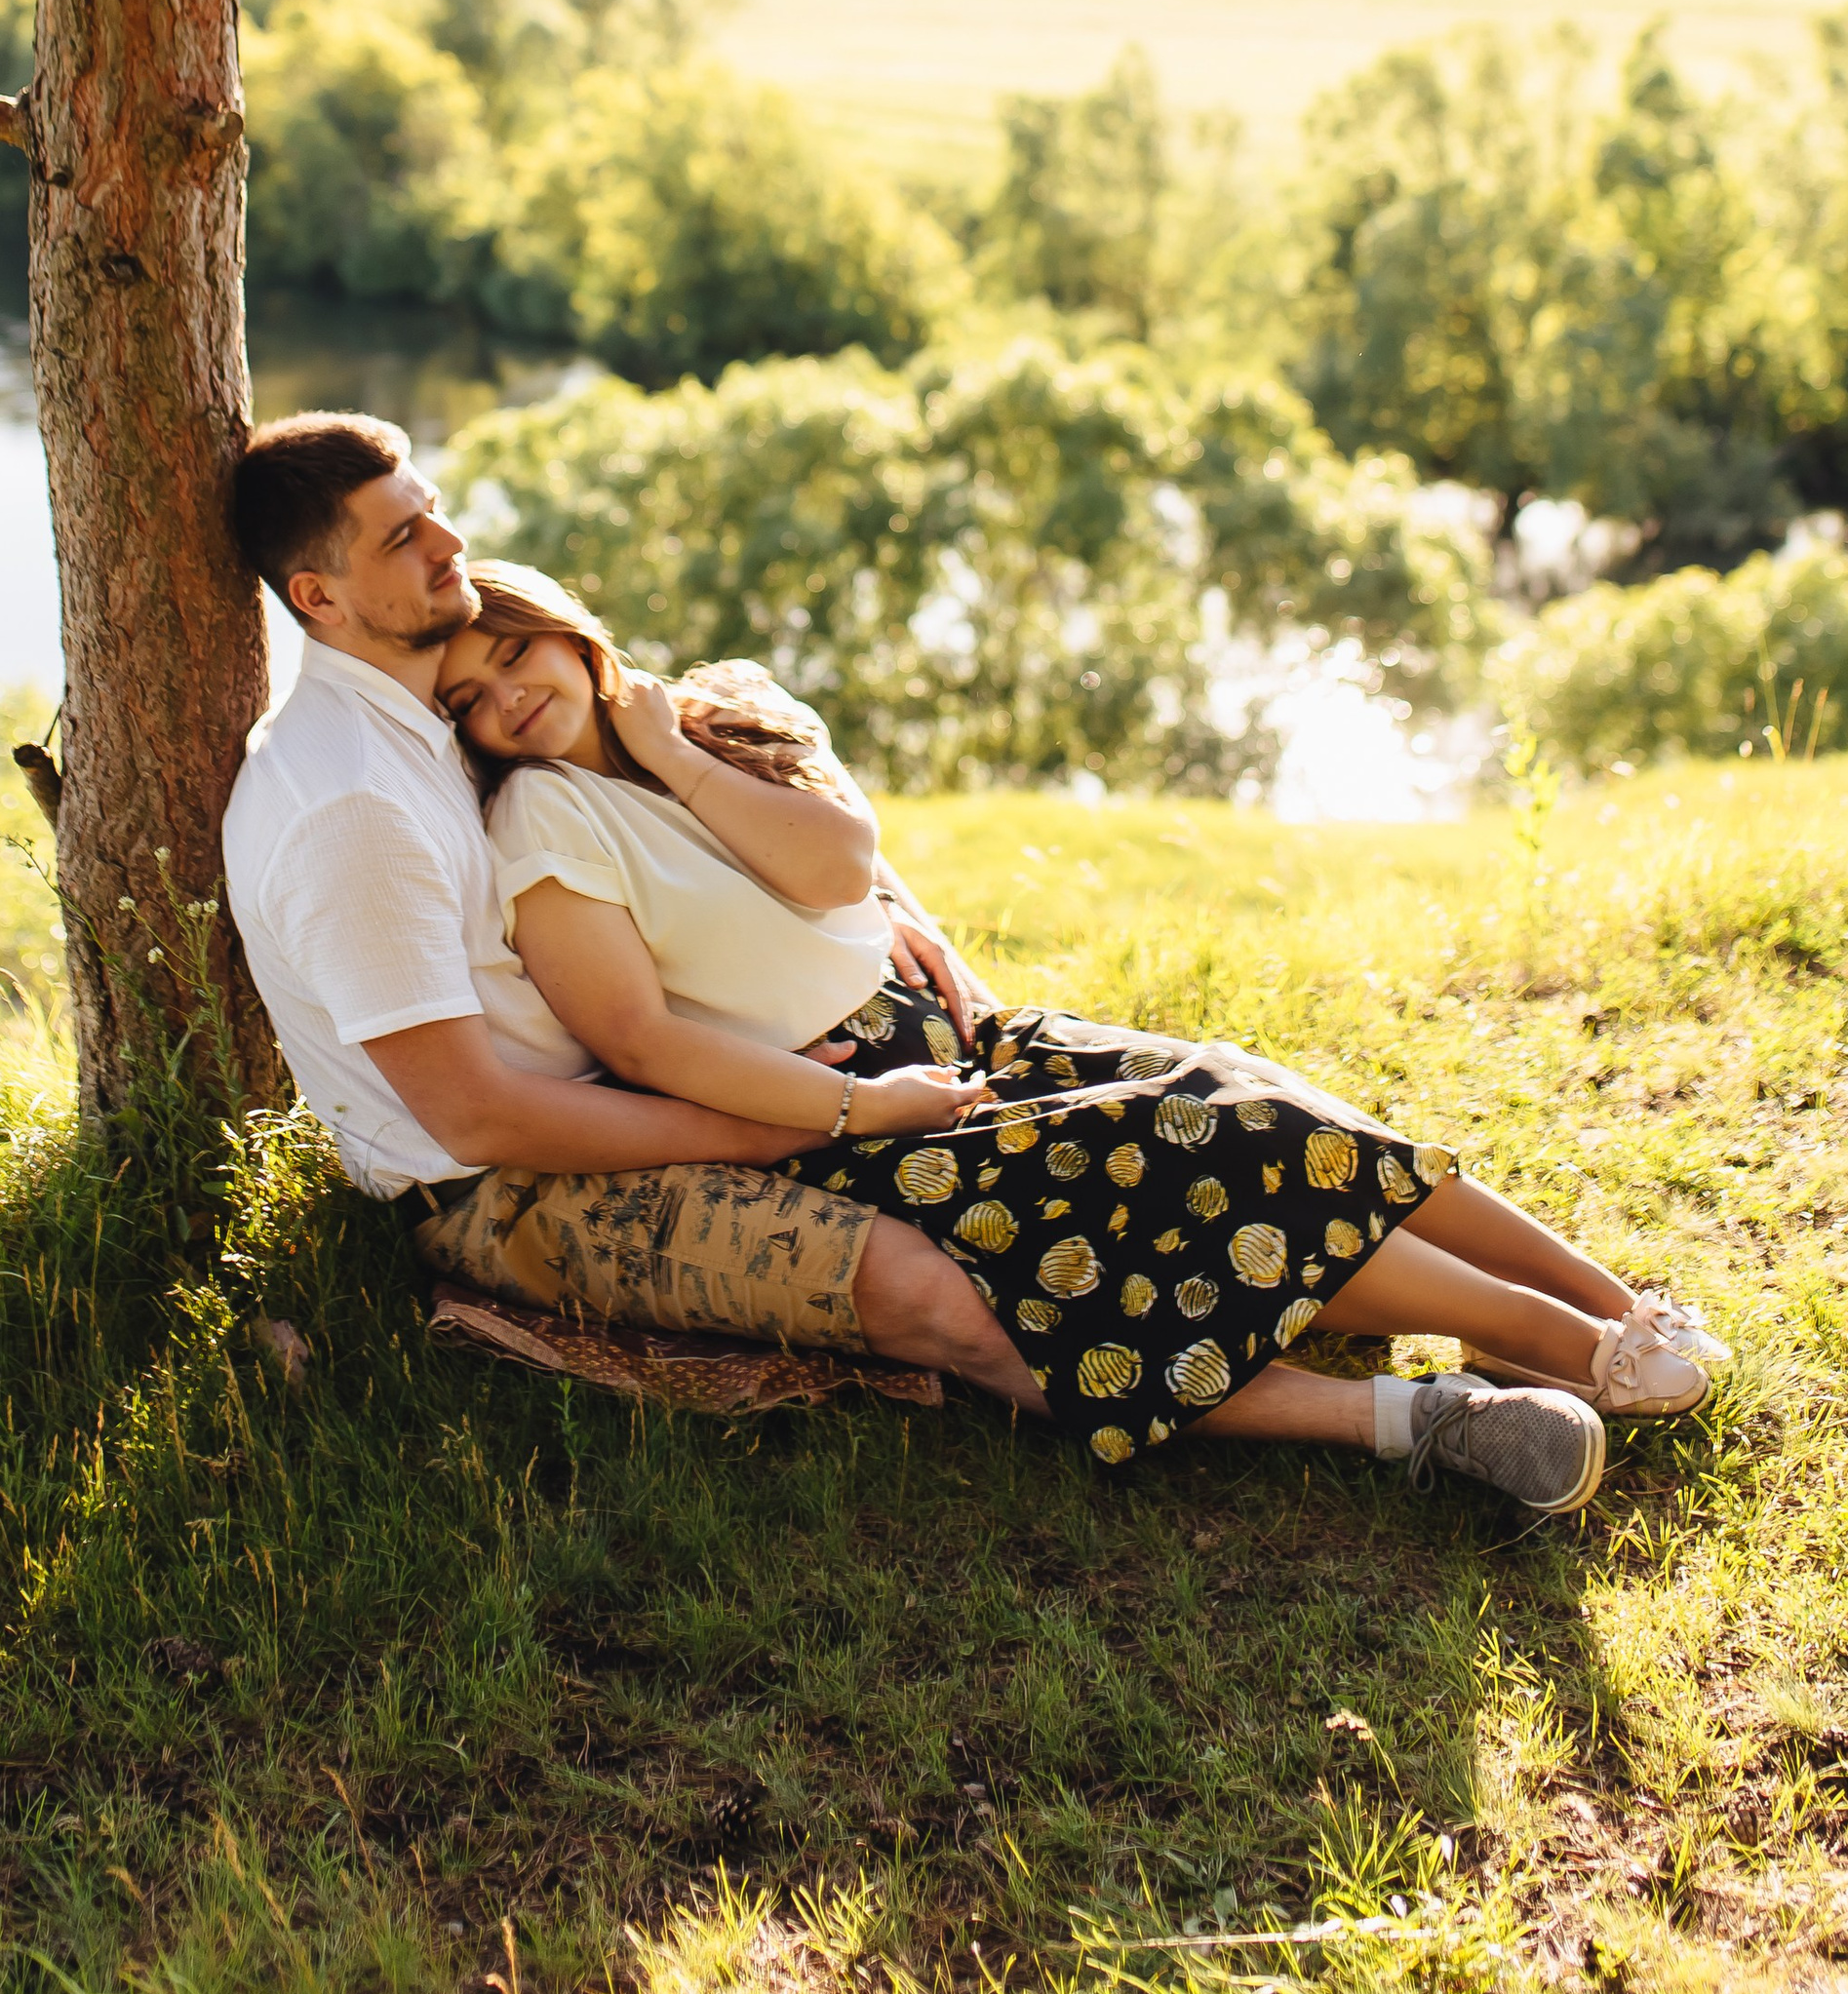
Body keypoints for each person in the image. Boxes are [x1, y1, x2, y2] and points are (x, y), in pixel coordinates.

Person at [436, 563, 1730, 1497]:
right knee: (1195, 1147)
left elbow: (840, 868)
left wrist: (672, 753)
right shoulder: (543, 823)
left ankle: (1602, 1310)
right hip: (842, 1104)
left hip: (951, 1034)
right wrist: (858, 1109)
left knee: (1248, 1093)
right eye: (471, 699)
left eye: (516, 651)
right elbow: (645, 1040)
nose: (507, 696)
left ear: (573, 632)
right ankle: (1571, 1352)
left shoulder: (703, 726)